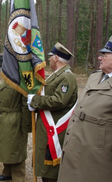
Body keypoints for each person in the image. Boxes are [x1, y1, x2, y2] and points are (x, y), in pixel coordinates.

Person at [57, 36, 112, 182]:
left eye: (104, 55)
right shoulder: (95, 77)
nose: (100, 58)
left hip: (100, 157)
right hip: (76, 147)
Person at [26, 42, 78, 182]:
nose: (48, 60)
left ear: (56, 58)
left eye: (50, 57)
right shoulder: (57, 75)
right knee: (45, 167)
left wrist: (35, 101)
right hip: (47, 125)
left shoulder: (67, 76)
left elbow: (59, 101)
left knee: (51, 170)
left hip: (55, 128)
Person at [0, 81, 32, 182]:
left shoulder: (21, 79)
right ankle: (7, 172)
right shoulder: (9, 76)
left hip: (14, 119)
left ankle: (18, 177)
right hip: (4, 117)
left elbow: (25, 104)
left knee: (15, 149)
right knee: (6, 147)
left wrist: (26, 125)